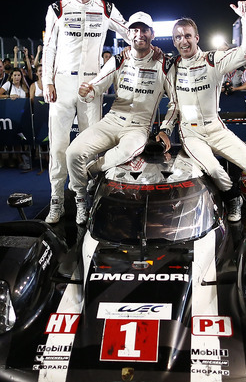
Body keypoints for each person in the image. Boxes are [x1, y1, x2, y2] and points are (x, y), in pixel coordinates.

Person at [157, 5, 246, 222]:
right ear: (174, 41)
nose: (184, 41)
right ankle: (233, 199)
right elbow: (174, 105)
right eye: (178, 37)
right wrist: (165, 129)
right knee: (215, 170)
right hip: (191, 134)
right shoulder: (172, 68)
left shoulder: (213, 59)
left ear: (196, 37)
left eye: (188, 35)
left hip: (215, 128)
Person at [42, 0, 131, 224]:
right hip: (62, 84)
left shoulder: (106, 8)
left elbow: (129, 32)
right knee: (58, 147)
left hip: (92, 86)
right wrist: (47, 80)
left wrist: (142, 42)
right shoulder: (57, 8)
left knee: (90, 147)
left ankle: (84, 198)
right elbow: (49, 48)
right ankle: (56, 201)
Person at [66, 12, 176, 225]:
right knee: (73, 152)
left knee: (126, 152)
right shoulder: (119, 59)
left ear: (152, 34)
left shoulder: (164, 63)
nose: (139, 35)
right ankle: (80, 200)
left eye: (144, 30)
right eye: (135, 30)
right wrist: (86, 92)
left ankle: (90, 173)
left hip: (139, 126)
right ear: (128, 33)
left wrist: (166, 128)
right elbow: (96, 87)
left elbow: (175, 102)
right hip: (112, 120)